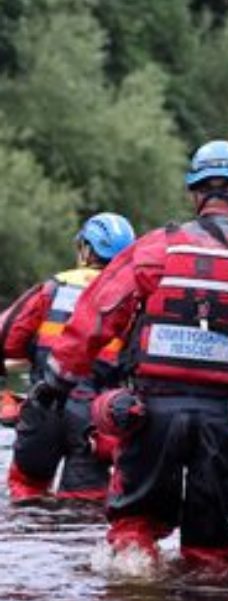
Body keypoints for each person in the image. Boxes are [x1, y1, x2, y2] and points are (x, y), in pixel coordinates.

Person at [39, 139, 228, 566]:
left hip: (149, 415)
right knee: (213, 554)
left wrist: (56, 383)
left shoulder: (153, 249)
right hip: (222, 421)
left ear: (195, 194)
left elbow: (94, 316)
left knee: (132, 531)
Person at [0, 213, 135, 503]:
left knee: (27, 495)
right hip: (94, 421)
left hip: (44, 407)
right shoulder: (133, 298)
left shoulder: (53, 287)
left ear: (86, 249)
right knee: (84, 506)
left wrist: (38, 353)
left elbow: (8, 338)